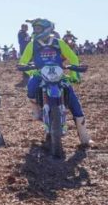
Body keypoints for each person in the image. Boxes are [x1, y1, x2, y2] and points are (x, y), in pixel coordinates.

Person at [19, 18, 92, 149]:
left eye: (38, 29)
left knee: (74, 103)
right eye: (34, 29)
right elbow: (23, 61)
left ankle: (85, 138)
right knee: (30, 87)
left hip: (58, 74)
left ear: (47, 28)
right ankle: (36, 110)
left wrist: (74, 75)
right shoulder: (32, 44)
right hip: (40, 74)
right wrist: (31, 72)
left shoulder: (59, 42)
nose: (35, 31)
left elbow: (73, 57)